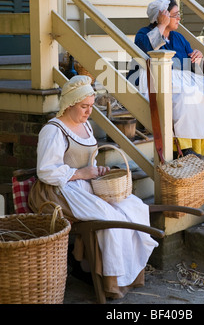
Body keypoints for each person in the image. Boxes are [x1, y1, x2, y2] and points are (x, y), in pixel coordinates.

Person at [28, 75, 158, 299]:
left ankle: (130, 274)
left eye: (91, 106)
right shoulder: (53, 130)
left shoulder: (85, 125)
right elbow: (46, 171)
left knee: (134, 206)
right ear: (69, 104)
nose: (89, 112)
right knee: (109, 218)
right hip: (58, 191)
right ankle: (110, 281)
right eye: (84, 107)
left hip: (83, 185)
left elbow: (90, 160)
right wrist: (80, 173)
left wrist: (95, 172)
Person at [128, 0, 204, 158]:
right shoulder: (143, 34)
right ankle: (184, 147)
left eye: (178, 14)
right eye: (174, 15)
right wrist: (161, 25)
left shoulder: (178, 38)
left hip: (183, 79)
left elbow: (194, 68)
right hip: (156, 78)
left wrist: (198, 57)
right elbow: (145, 50)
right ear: (162, 17)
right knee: (184, 95)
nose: (178, 18)